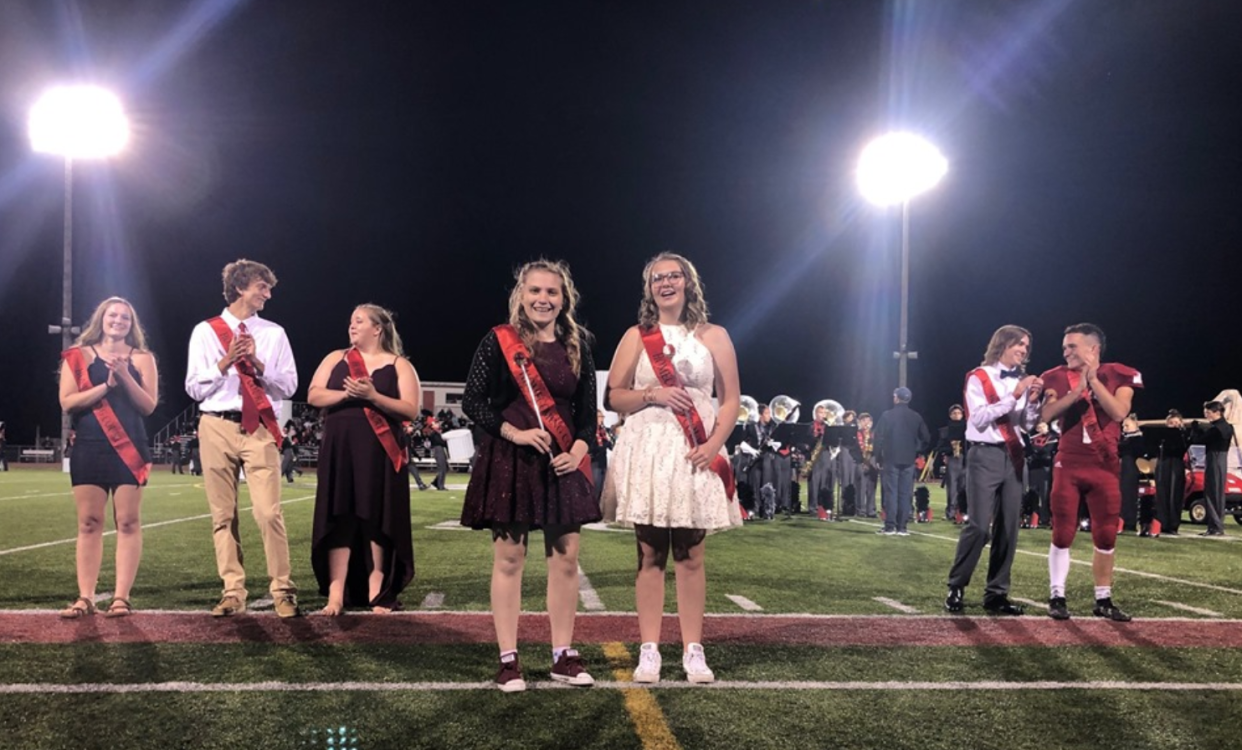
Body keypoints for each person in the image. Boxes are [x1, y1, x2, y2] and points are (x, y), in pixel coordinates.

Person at [461, 259, 600, 693]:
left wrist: (578, 449)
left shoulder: (578, 344)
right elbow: (473, 401)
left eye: (552, 292)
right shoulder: (498, 341)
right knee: (509, 559)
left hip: (562, 462)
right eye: (535, 291)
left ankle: (562, 655)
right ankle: (508, 659)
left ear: (564, 298)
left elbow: (586, 414)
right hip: (511, 458)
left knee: (566, 559)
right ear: (522, 295)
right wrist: (514, 433)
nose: (543, 299)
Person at [606, 252, 743, 685]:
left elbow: (731, 398)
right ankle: (649, 650)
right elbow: (614, 397)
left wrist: (714, 444)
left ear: (688, 282)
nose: (666, 283)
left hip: (695, 449)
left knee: (691, 553)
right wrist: (653, 394)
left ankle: (693, 650)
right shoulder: (635, 336)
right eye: (657, 278)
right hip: (648, 448)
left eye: (673, 276)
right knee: (649, 553)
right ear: (649, 288)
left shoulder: (715, 335)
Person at [184, 259, 300, 618]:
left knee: (268, 512)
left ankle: (282, 589)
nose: (268, 294)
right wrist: (225, 363)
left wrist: (258, 363)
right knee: (222, 515)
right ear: (240, 288)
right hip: (216, 424)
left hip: (259, 426)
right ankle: (233, 591)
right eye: (262, 287)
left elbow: (290, 385)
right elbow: (193, 387)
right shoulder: (205, 331)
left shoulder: (274, 333)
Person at [308, 304, 421, 614]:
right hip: (340, 448)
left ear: (377, 328)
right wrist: (347, 395)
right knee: (339, 516)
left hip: (380, 451)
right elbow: (314, 395)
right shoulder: (336, 358)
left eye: (359, 321)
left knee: (377, 517)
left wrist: (372, 397)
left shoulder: (399, 365)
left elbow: (410, 409)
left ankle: (378, 590)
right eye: (350, 322)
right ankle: (336, 594)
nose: (352, 326)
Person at [57, 297, 158, 618]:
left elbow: (148, 406)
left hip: (131, 446)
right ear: (101, 318)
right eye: (113, 315)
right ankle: (85, 597)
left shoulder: (142, 358)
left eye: (125, 317)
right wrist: (107, 384)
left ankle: (121, 598)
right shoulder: (78, 355)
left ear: (132, 323)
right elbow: (68, 402)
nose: (118, 320)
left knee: (128, 522)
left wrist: (125, 378)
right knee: (89, 523)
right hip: (89, 444)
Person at [1039, 323, 1142, 622]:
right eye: (1065, 346)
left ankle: (1103, 598)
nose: (1065, 351)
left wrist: (1094, 381)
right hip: (1068, 462)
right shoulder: (1056, 376)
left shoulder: (1119, 373)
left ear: (1093, 349)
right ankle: (1057, 594)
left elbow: (1119, 413)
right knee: (1062, 531)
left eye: (1072, 346)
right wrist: (1077, 391)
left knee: (1107, 534)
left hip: (1105, 464)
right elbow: (1046, 415)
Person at [944, 325, 1042, 615]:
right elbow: (979, 417)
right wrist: (1014, 395)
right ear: (1003, 343)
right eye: (1019, 344)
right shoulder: (979, 376)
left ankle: (997, 594)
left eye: (1027, 346)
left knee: (1009, 527)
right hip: (984, 454)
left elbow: (1024, 425)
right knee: (977, 525)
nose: (1024, 350)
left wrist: (1033, 403)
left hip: (1014, 456)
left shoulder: (1022, 381)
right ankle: (956, 586)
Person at [874, 387, 930, 536]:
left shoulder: (887, 415)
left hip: (891, 458)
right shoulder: (916, 416)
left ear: (896, 398)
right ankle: (902, 527)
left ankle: (890, 526)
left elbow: (878, 438)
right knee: (905, 493)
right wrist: (915, 450)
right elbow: (926, 438)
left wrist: (878, 457)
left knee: (891, 492)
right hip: (908, 459)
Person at [1188, 401, 1235, 537]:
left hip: (1214, 459)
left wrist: (1195, 429)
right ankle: (1217, 525)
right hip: (1222, 459)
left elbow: (1198, 440)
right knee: (1218, 493)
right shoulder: (1227, 427)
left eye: (1208, 413)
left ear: (1217, 412)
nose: (1206, 415)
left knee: (1211, 492)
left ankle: (1215, 527)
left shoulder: (1216, 429)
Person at [1154, 410, 1188, 536]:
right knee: (1162, 493)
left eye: (1176, 423)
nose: (1173, 425)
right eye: (1171, 423)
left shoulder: (1183, 435)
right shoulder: (1162, 436)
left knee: (1175, 494)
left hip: (1177, 464)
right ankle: (1162, 522)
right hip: (1164, 462)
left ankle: (1173, 524)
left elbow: (1185, 448)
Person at [935, 405, 967, 521]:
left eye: (959, 413)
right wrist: (949, 450)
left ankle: (962, 511)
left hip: (965, 459)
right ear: (950, 415)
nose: (957, 415)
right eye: (954, 413)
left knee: (963, 486)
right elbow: (939, 447)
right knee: (952, 487)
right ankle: (951, 512)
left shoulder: (967, 428)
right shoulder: (946, 430)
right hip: (952, 459)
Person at [1118, 414, 1145, 532]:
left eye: (1127, 425)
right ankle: (1120, 520)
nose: (1124, 428)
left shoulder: (1138, 438)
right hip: (1121, 469)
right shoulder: (1123, 438)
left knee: (1129, 495)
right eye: (1123, 425)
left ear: (1135, 424)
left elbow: (1132, 450)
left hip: (1130, 469)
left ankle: (1129, 522)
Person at [855, 413, 878, 518]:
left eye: (868, 421)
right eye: (864, 421)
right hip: (860, 461)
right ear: (859, 422)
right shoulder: (856, 433)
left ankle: (871, 510)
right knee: (861, 487)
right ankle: (861, 509)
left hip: (872, 462)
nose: (866, 423)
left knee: (872, 487)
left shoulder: (875, 434)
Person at [589, 410, 614, 505]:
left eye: (603, 417)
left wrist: (609, 437)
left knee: (602, 485)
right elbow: (592, 447)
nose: (602, 419)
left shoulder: (605, 431)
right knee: (595, 485)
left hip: (603, 461)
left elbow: (612, 445)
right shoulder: (591, 432)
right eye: (600, 416)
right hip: (594, 462)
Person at [426, 418, 450, 490]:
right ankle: (440, 485)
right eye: (436, 423)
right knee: (442, 468)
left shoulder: (437, 433)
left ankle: (436, 482)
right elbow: (439, 442)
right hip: (438, 449)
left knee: (445, 467)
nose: (438, 424)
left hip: (440, 449)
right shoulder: (433, 433)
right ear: (432, 425)